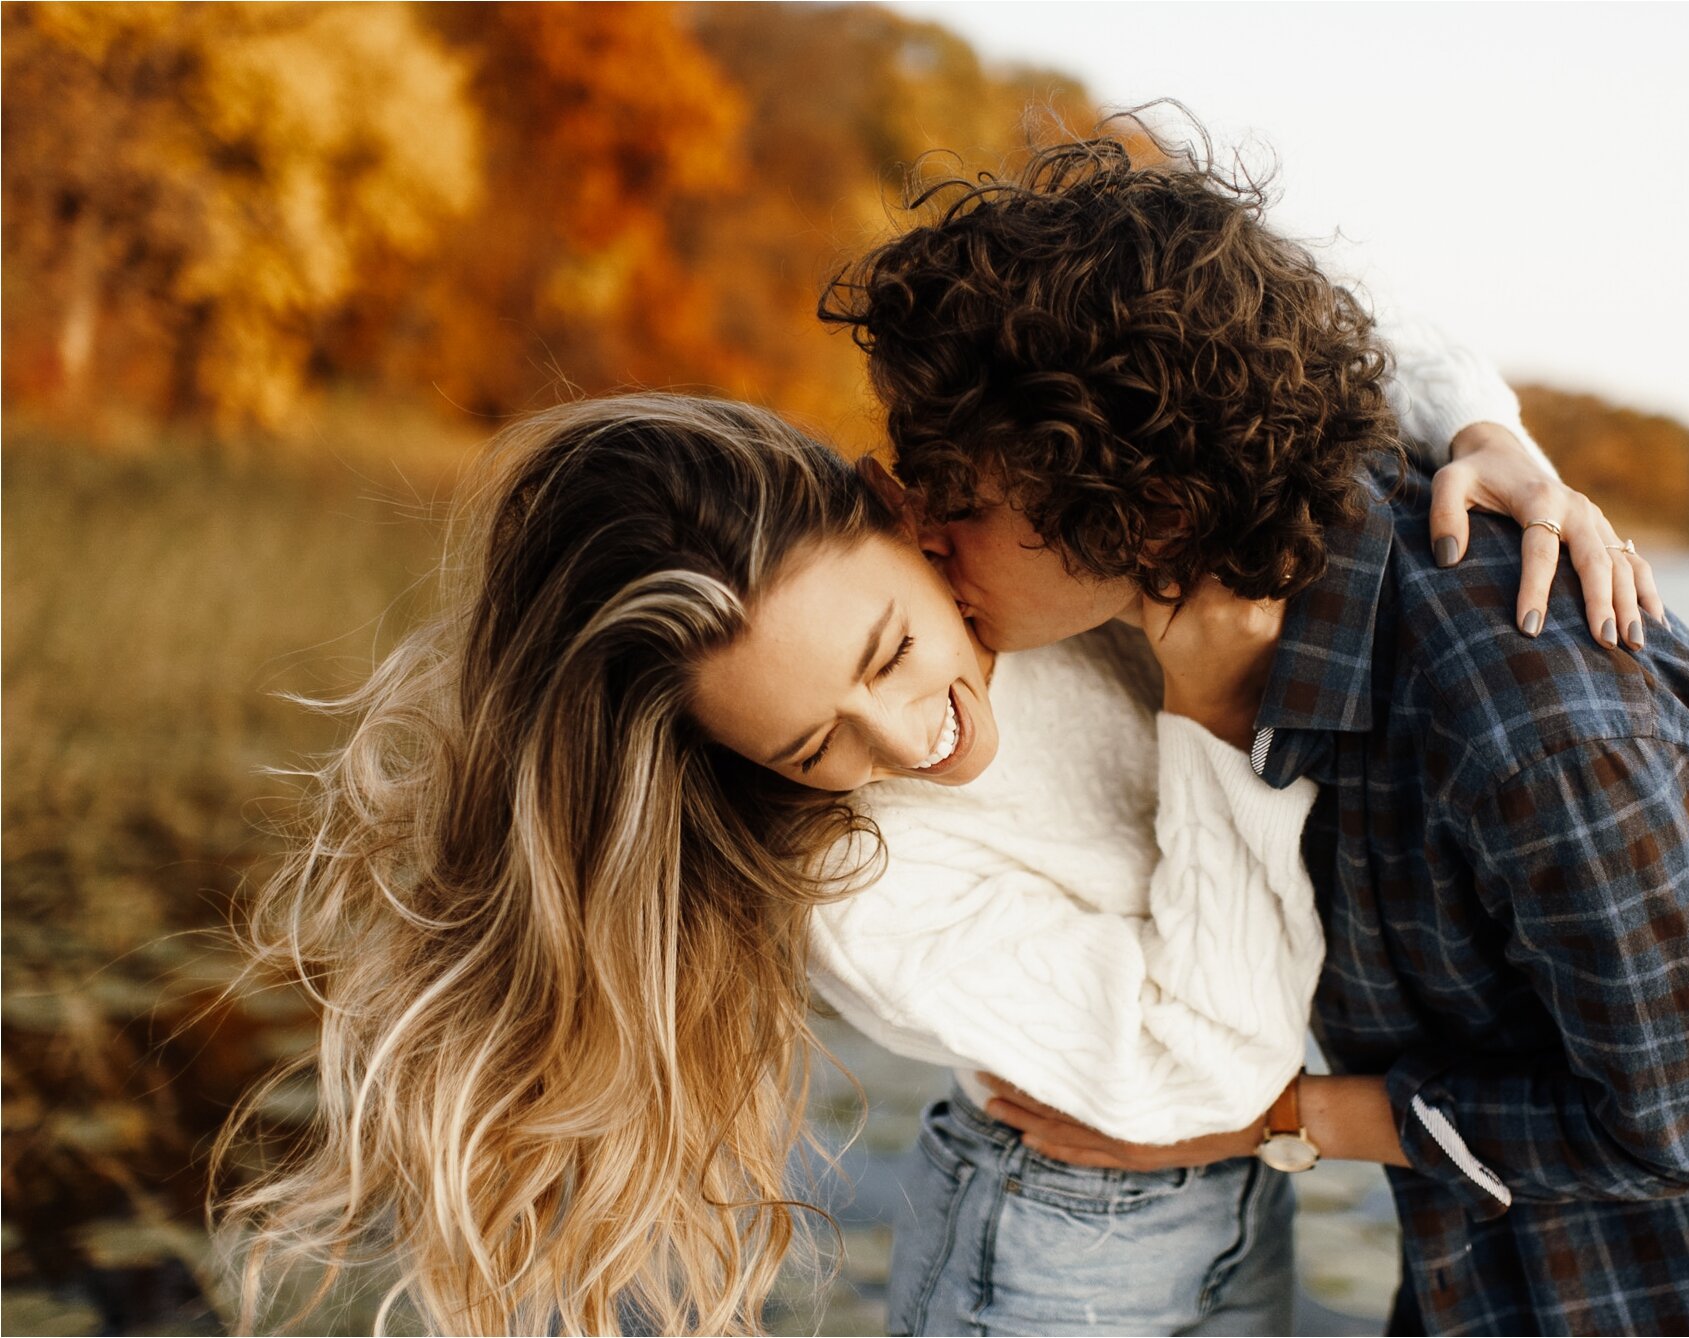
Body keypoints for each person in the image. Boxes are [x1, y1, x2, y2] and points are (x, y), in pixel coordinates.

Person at [821, 129, 1689, 1335]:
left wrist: (1284, 1118)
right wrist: (1489, 429)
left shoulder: (1536, 729)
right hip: (1499, 1277)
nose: (925, 531)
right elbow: (1266, 325)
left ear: (1143, 511)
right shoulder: (1250, 561)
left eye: (961, 499)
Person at [217, 385, 1614, 1336]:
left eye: (887, 649)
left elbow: (1295, 317)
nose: (910, 736)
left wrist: (1488, 430)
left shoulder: (1034, 525)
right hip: (1068, 1247)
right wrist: (1203, 709)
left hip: (1224, 1203)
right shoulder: (862, 884)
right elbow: (1220, 1054)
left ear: (902, 508)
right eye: (816, 742)